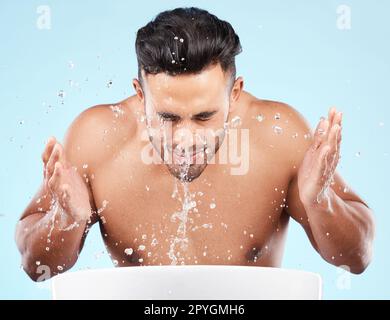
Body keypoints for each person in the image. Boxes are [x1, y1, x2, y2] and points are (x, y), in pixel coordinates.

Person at [15, 7, 374, 281]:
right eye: (168, 117)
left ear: (235, 94)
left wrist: (320, 201)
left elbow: (356, 259)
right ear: (141, 96)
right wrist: (64, 219)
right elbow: (37, 267)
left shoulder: (278, 135)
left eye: (204, 116)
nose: (185, 139)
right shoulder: (96, 139)